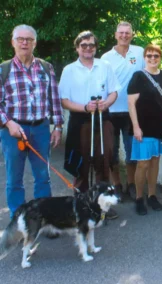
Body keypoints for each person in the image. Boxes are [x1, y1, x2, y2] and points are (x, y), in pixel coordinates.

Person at [0, 25, 64, 218]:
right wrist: (8, 123)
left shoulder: (46, 67)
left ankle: (45, 220)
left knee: (43, 178)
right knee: (14, 180)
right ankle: (18, 222)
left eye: (29, 39)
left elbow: (54, 99)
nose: (24, 42)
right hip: (13, 132)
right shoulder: (3, 69)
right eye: (20, 39)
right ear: (13, 42)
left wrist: (58, 126)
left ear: (35, 43)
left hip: (41, 130)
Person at [59, 31, 120, 219]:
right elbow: (64, 100)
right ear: (77, 47)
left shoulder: (105, 66)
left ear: (96, 47)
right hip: (80, 119)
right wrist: (85, 107)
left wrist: (106, 103)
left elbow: (114, 91)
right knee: (81, 163)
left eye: (91, 45)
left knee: (104, 161)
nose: (88, 48)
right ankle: (82, 205)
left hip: (103, 119)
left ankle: (103, 205)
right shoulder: (69, 69)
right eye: (84, 45)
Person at [101, 21, 145, 201]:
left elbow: (145, 76)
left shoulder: (140, 52)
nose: (124, 35)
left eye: (128, 33)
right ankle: (117, 185)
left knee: (131, 151)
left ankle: (132, 185)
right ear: (115, 35)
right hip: (110, 111)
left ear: (132, 35)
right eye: (121, 32)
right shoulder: (106, 57)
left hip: (132, 111)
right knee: (111, 152)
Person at [127, 44, 162, 215]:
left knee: (154, 163)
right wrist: (136, 127)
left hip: (159, 127)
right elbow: (131, 104)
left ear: (160, 58)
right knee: (143, 163)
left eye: (156, 56)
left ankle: (152, 195)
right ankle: (139, 198)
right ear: (144, 58)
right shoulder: (138, 76)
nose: (153, 59)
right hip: (143, 127)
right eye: (149, 56)